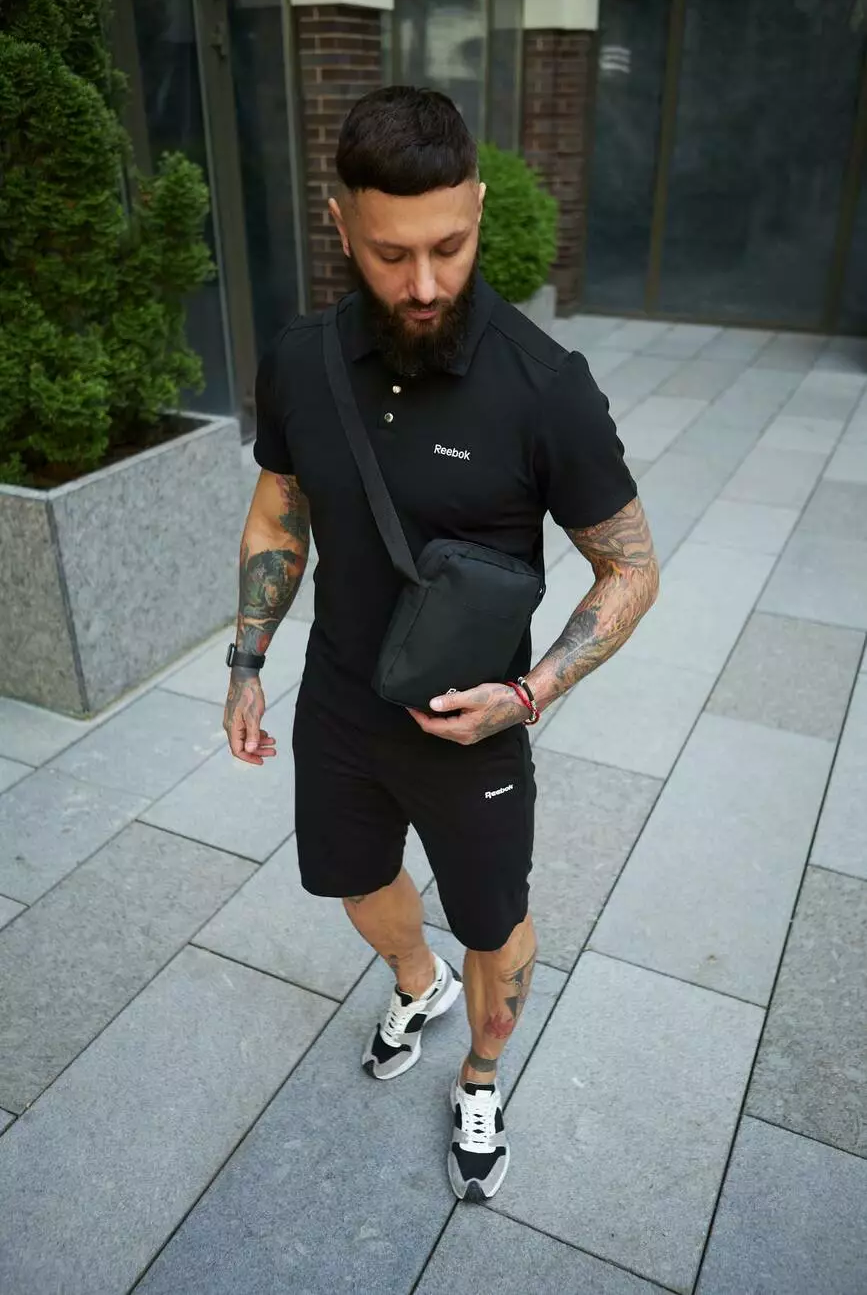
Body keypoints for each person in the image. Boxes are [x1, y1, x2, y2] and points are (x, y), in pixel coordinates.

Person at [223, 86, 658, 1203]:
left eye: (449, 247)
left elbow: (631, 567)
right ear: (340, 224)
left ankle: (480, 1072)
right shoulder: (300, 359)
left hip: (478, 725)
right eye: (391, 254)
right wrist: (247, 663)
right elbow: (278, 514)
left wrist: (532, 691)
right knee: (355, 880)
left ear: (476, 208)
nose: (423, 284)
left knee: (495, 924)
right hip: (339, 699)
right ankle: (417, 981)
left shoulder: (546, 387)